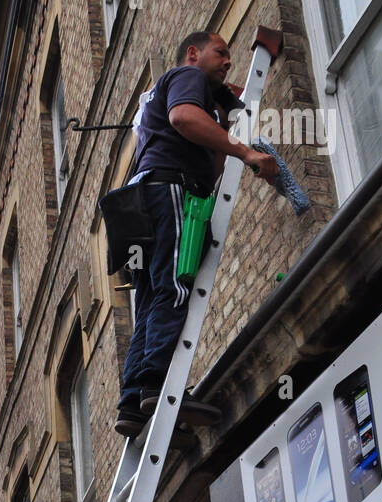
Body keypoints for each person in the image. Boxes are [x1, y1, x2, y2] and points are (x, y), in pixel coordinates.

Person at [114, 31, 277, 437]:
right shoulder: (187, 77)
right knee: (176, 285)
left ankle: (132, 404)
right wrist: (248, 151)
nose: (227, 62)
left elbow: (210, 167)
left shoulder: (171, 93)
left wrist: (221, 122)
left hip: (143, 199)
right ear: (193, 53)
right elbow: (184, 118)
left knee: (150, 300)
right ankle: (158, 387)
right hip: (169, 188)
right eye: (220, 53)